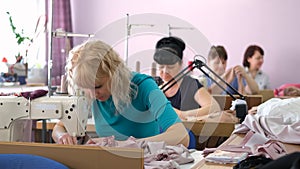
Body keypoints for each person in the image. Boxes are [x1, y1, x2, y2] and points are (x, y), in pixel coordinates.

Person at [52, 39, 189, 147]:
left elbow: (182, 136)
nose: (93, 95)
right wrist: (62, 137)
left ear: (114, 73)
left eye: (98, 86)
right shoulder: (88, 92)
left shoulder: (144, 86)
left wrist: (123, 145)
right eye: (86, 88)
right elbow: (59, 128)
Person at [153, 36, 221, 121]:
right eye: (161, 67)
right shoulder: (154, 85)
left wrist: (183, 114)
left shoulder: (190, 84)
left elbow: (214, 108)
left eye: (170, 67)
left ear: (181, 64)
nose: (165, 71)